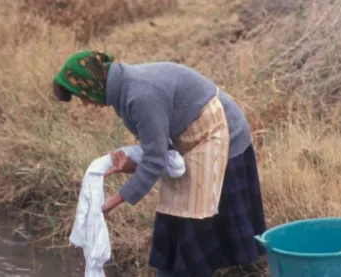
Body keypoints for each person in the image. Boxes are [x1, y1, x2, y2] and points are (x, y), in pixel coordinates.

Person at [52, 50, 267, 277]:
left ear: (93, 83)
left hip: (221, 135)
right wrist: (131, 166)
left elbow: (156, 160)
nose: (85, 103)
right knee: (174, 221)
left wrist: (112, 202)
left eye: (83, 95)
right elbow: (159, 150)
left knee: (194, 227)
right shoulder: (124, 93)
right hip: (191, 142)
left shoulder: (139, 95)